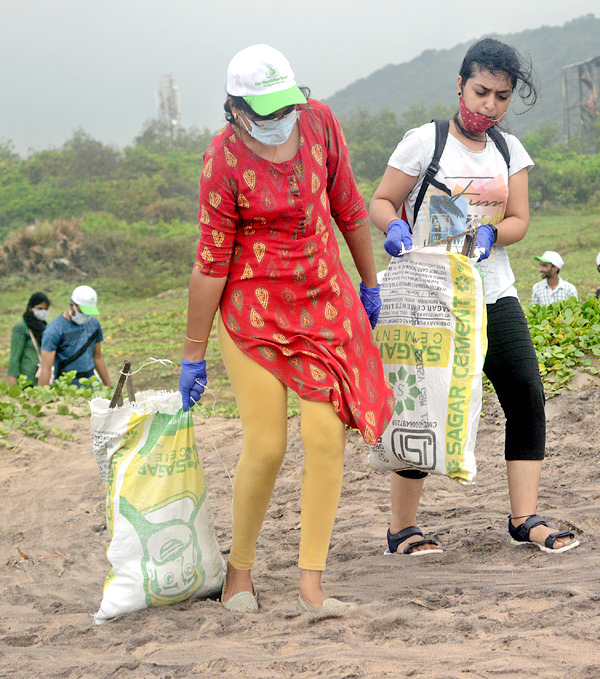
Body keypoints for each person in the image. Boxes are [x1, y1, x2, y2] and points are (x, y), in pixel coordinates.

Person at [178, 44, 394, 614]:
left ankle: (310, 585)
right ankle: (238, 574)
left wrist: (369, 285)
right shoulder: (221, 161)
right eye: (266, 111)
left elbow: (347, 206)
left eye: (286, 107)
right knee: (268, 444)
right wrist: (192, 353)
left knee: (326, 435)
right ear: (236, 108)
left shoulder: (320, 122)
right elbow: (209, 262)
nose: (280, 121)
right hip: (253, 308)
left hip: (324, 298)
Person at [370, 38, 579, 556]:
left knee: (526, 394)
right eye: (481, 91)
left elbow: (520, 221)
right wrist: (394, 227)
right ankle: (403, 529)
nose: (489, 105)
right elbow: (381, 200)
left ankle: (524, 517)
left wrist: (493, 235)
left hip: (492, 292)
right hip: (429, 296)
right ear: (460, 85)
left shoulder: (510, 151)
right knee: (421, 407)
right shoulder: (425, 143)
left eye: (502, 97)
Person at [38, 285, 112, 388]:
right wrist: (40, 396)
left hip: (92, 384)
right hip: (66, 388)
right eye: (83, 312)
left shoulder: (94, 324)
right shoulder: (54, 330)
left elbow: (98, 357)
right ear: (72, 305)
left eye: (88, 313)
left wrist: (110, 387)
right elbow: (46, 369)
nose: (86, 316)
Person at [7, 292, 51, 386]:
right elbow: (14, 357)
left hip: (41, 380)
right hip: (26, 380)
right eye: (40, 308)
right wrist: (12, 385)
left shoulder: (45, 327)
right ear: (30, 308)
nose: (43, 312)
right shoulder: (21, 327)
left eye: (45, 309)